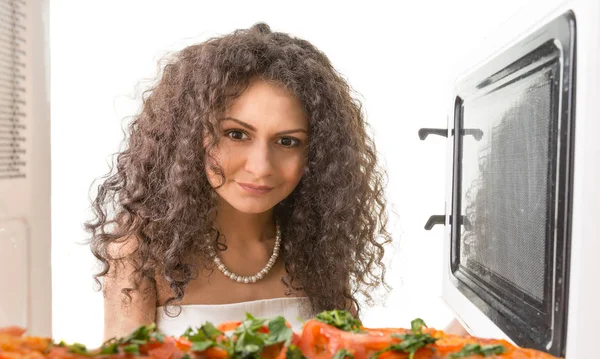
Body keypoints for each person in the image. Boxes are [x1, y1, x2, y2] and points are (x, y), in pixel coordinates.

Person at [86, 23, 392, 340]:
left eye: (288, 142)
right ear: (187, 137)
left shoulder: (318, 244)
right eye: (236, 134)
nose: (260, 168)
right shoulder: (139, 252)